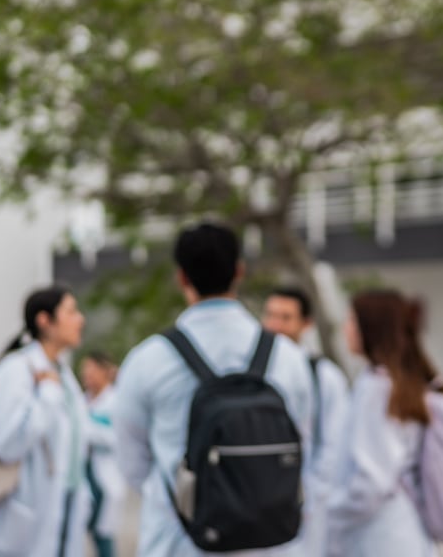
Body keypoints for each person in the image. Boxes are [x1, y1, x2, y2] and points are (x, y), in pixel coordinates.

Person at [114, 221, 315, 556]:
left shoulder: (148, 359)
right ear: (240, 271)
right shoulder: (288, 358)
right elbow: (302, 444)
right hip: (271, 545)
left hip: (179, 542)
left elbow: (133, 464)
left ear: (182, 278)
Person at [325, 289, 443, 557]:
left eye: (352, 321)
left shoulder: (376, 389)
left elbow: (371, 481)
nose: (346, 329)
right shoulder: (400, 382)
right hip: (406, 530)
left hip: (381, 535)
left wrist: (332, 512)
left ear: (371, 328)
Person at [0, 285, 90, 557]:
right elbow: (8, 444)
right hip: (27, 514)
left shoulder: (62, 373)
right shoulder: (17, 369)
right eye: (71, 311)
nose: (80, 319)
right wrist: (47, 395)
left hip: (66, 503)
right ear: (44, 321)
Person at [261, 287, 351, 557]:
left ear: (306, 324)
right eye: (271, 315)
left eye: (286, 317)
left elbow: (334, 444)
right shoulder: (250, 372)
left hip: (306, 507)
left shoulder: (324, 376)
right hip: (258, 503)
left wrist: (313, 497)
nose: (275, 325)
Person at [80, 351, 124, 557]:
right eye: (84, 370)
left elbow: (116, 438)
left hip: (105, 476)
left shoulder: (116, 402)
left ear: (105, 371)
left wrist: (86, 430)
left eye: (91, 370)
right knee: (80, 531)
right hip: (83, 473)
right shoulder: (82, 400)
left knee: (103, 535)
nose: (86, 375)